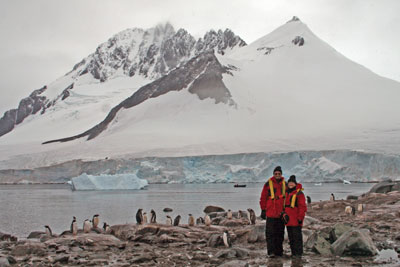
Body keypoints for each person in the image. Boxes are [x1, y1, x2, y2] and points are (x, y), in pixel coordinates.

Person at [259, 166, 286, 257]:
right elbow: (263, 197)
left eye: (279, 173)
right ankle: (271, 252)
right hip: (270, 213)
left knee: (280, 233)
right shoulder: (268, 184)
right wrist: (263, 209)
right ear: (273, 174)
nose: (277, 175)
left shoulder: (284, 184)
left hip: (281, 214)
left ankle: (279, 251)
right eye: (276, 174)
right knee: (270, 234)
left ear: (281, 174)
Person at [284, 175, 307, 257]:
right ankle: (294, 253)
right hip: (288, 220)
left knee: (297, 237)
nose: (290, 184)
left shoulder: (299, 194)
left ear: (295, 184)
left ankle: (298, 253)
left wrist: (300, 218)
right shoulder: (287, 193)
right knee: (291, 237)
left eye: (292, 183)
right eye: (289, 183)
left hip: (296, 219)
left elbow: (302, 207)